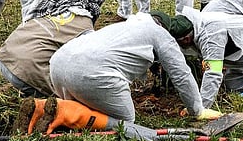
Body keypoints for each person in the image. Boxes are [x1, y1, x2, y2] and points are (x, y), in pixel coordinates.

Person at [49, 11, 223, 123]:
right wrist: (197, 110)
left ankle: (54, 108)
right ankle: (71, 116)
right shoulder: (159, 33)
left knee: (88, 100)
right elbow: (181, 74)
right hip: (89, 73)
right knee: (126, 121)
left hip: (57, 64)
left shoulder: (123, 27)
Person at [0, 0, 107, 98]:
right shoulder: (86, 28)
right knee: (70, 98)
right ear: (99, 4)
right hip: (25, 72)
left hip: (4, 57)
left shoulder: (58, 3)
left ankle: (26, 91)